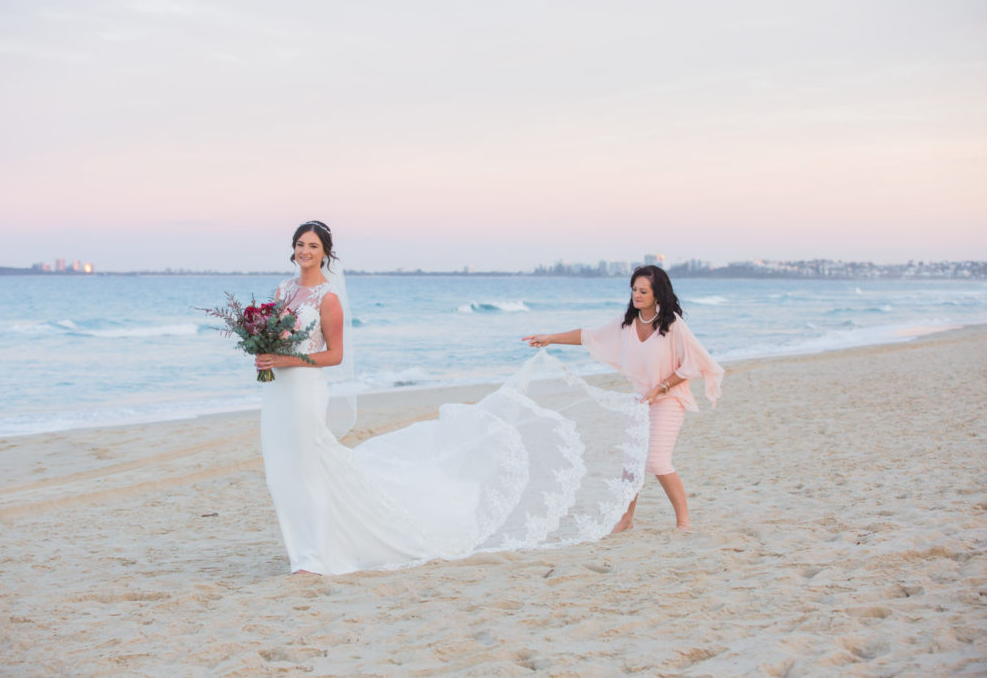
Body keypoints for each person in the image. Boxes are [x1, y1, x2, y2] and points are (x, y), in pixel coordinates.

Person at [250, 222, 653, 575]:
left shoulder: (328, 297)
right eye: (300, 245)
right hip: (277, 391)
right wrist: (263, 351)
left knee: (309, 470)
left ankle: (314, 558)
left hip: (304, 390)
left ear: (325, 253)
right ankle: (300, 549)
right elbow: (277, 334)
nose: (305, 251)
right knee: (281, 473)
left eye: (313, 246)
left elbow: (333, 356)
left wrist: (285, 357)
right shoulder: (284, 290)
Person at [523, 265, 723, 532]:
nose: (636, 296)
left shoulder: (672, 324)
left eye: (643, 291)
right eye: (634, 290)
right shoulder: (627, 322)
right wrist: (550, 338)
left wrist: (660, 388)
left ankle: (683, 521)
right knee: (631, 462)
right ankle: (626, 519)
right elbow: (588, 336)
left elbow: (691, 365)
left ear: (657, 294)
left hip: (669, 398)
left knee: (657, 461)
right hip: (641, 400)